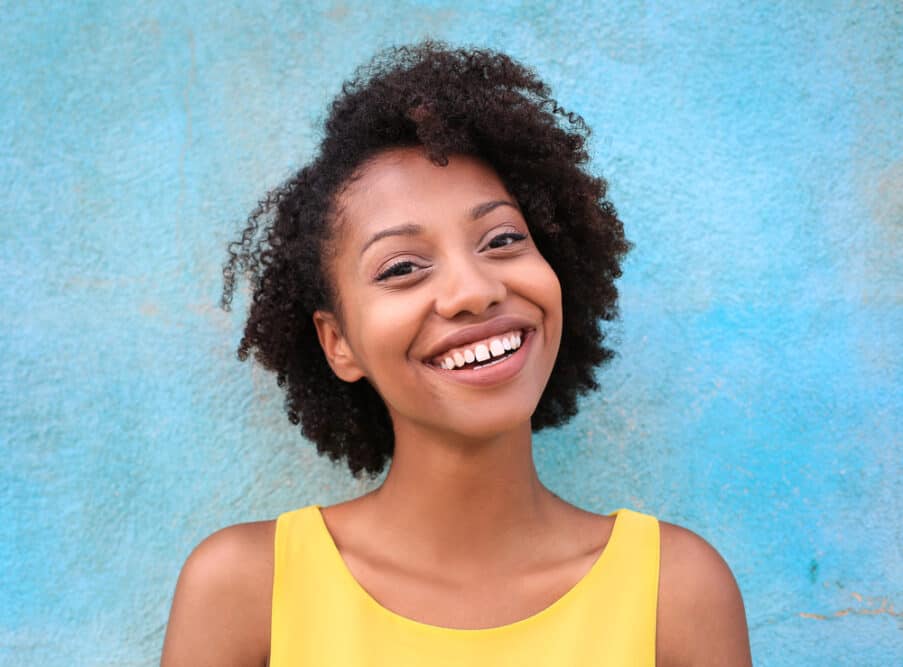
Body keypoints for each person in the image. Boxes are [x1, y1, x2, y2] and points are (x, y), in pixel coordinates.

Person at [160, 41, 752, 666]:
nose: (474, 291)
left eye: (501, 239)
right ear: (338, 343)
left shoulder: (676, 592)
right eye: (402, 268)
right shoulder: (245, 591)